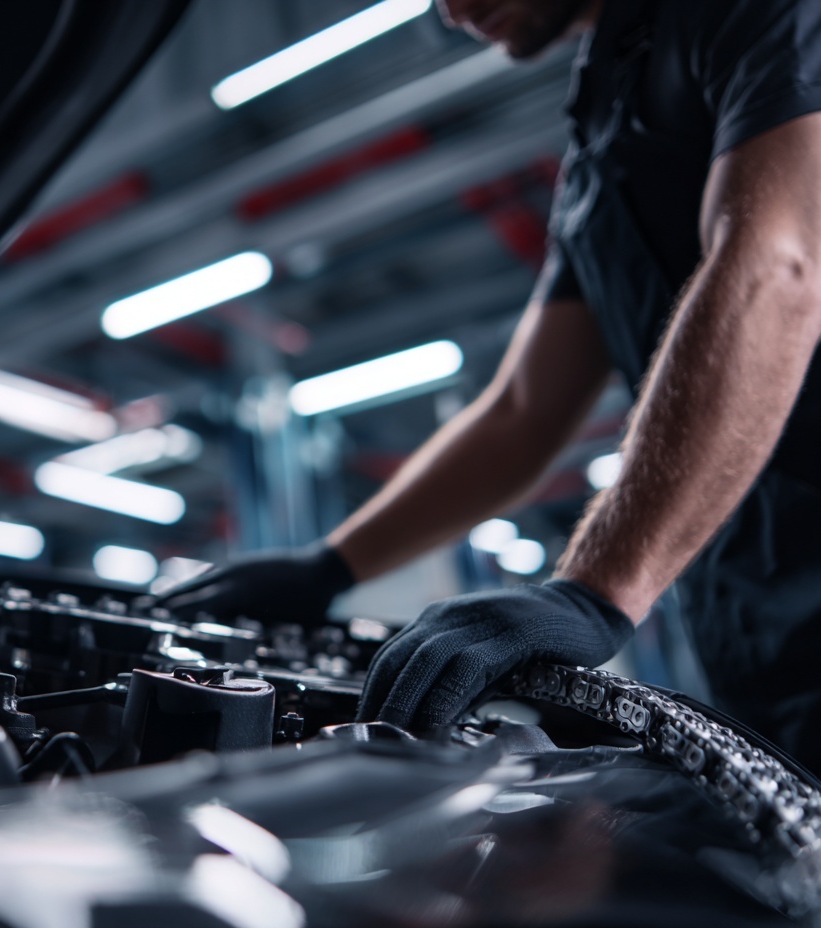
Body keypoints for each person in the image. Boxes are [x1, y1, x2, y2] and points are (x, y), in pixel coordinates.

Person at [157, 0, 821, 771]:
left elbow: (780, 266)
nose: (452, 10)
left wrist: (599, 588)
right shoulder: (601, 133)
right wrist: (330, 567)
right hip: (756, 623)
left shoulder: (759, 13)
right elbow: (522, 411)